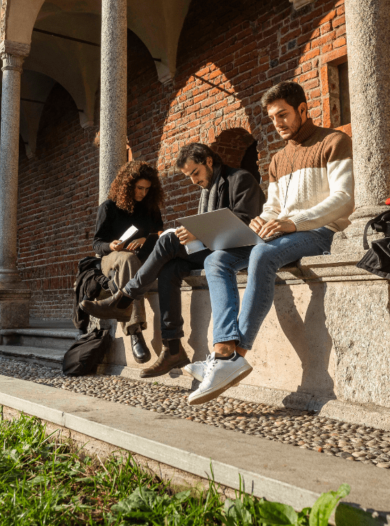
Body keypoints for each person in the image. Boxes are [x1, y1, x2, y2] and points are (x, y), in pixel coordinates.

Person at [186, 81, 355, 405]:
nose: (277, 123)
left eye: (283, 115)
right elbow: (274, 207)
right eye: (272, 117)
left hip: (321, 231)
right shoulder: (278, 159)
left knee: (262, 254)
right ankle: (223, 350)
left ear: (303, 109)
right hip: (283, 232)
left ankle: (236, 356)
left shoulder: (334, 141)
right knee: (215, 260)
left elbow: (344, 199)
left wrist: (294, 222)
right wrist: (260, 220)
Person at [82, 143, 265, 378]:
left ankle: (125, 297)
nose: (193, 181)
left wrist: (197, 232)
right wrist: (195, 232)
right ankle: (173, 349)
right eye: (188, 176)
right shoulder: (208, 187)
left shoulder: (241, 179)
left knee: (167, 242)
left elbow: (245, 222)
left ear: (209, 161)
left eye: (195, 173)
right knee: (170, 268)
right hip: (215, 248)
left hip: (239, 250)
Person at [92, 161, 165, 363]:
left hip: (140, 257)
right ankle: (134, 330)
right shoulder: (109, 207)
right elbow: (97, 244)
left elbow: (161, 234)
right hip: (112, 258)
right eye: (139, 188)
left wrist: (146, 239)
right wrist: (112, 246)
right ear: (127, 185)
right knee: (127, 258)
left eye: (147, 189)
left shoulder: (150, 207)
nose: (142, 193)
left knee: (133, 260)